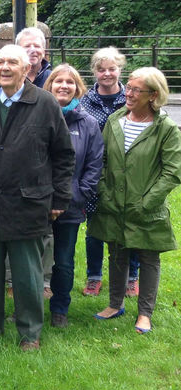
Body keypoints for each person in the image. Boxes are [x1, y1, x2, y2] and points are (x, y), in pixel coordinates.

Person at [0, 44, 74, 351]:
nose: (4, 67)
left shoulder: (46, 103)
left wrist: (60, 198)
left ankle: (30, 333)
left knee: (27, 275)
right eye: (0, 62)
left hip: (28, 203)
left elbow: (63, 155)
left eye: (12, 62)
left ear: (27, 69)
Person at [89, 67, 181, 334]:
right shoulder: (116, 119)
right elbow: (101, 160)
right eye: (127, 87)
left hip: (146, 207)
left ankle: (145, 314)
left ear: (153, 95)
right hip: (113, 203)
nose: (127, 93)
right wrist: (104, 192)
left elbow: (173, 170)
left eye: (135, 89)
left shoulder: (164, 128)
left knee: (149, 257)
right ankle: (115, 304)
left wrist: (147, 202)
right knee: (117, 252)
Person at [43, 64, 104, 328]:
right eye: (58, 81)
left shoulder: (88, 124)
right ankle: (29, 306)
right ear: (50, 86)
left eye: (70, 82)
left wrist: (75, 196)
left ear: (77, 88)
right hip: (37, 204)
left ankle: (59, 309)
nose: (64, 86)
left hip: (70, 205)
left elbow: (94, 166)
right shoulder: (37, 117)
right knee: (33, 260)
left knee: (64, 262)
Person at [80, 47, 140, 298]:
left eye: (112, 68)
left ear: (120, 70)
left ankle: (131, 276)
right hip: (95, 171)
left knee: (129, 225)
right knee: (95, 227)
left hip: (127, 172)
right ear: (94, 71)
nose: (107, 74)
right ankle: (94, 277)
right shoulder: (84, 101)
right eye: (101, 69)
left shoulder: (131, 98)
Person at [2, 27, 55, 299]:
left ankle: (43, 288)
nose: (32, 50)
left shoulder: (51, 85)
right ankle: (13, 286)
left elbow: (61, 150)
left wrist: (60, 194)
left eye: (37, 45)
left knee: (39, 244)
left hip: (38, 185)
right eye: (27, 46)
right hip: (5, 188)